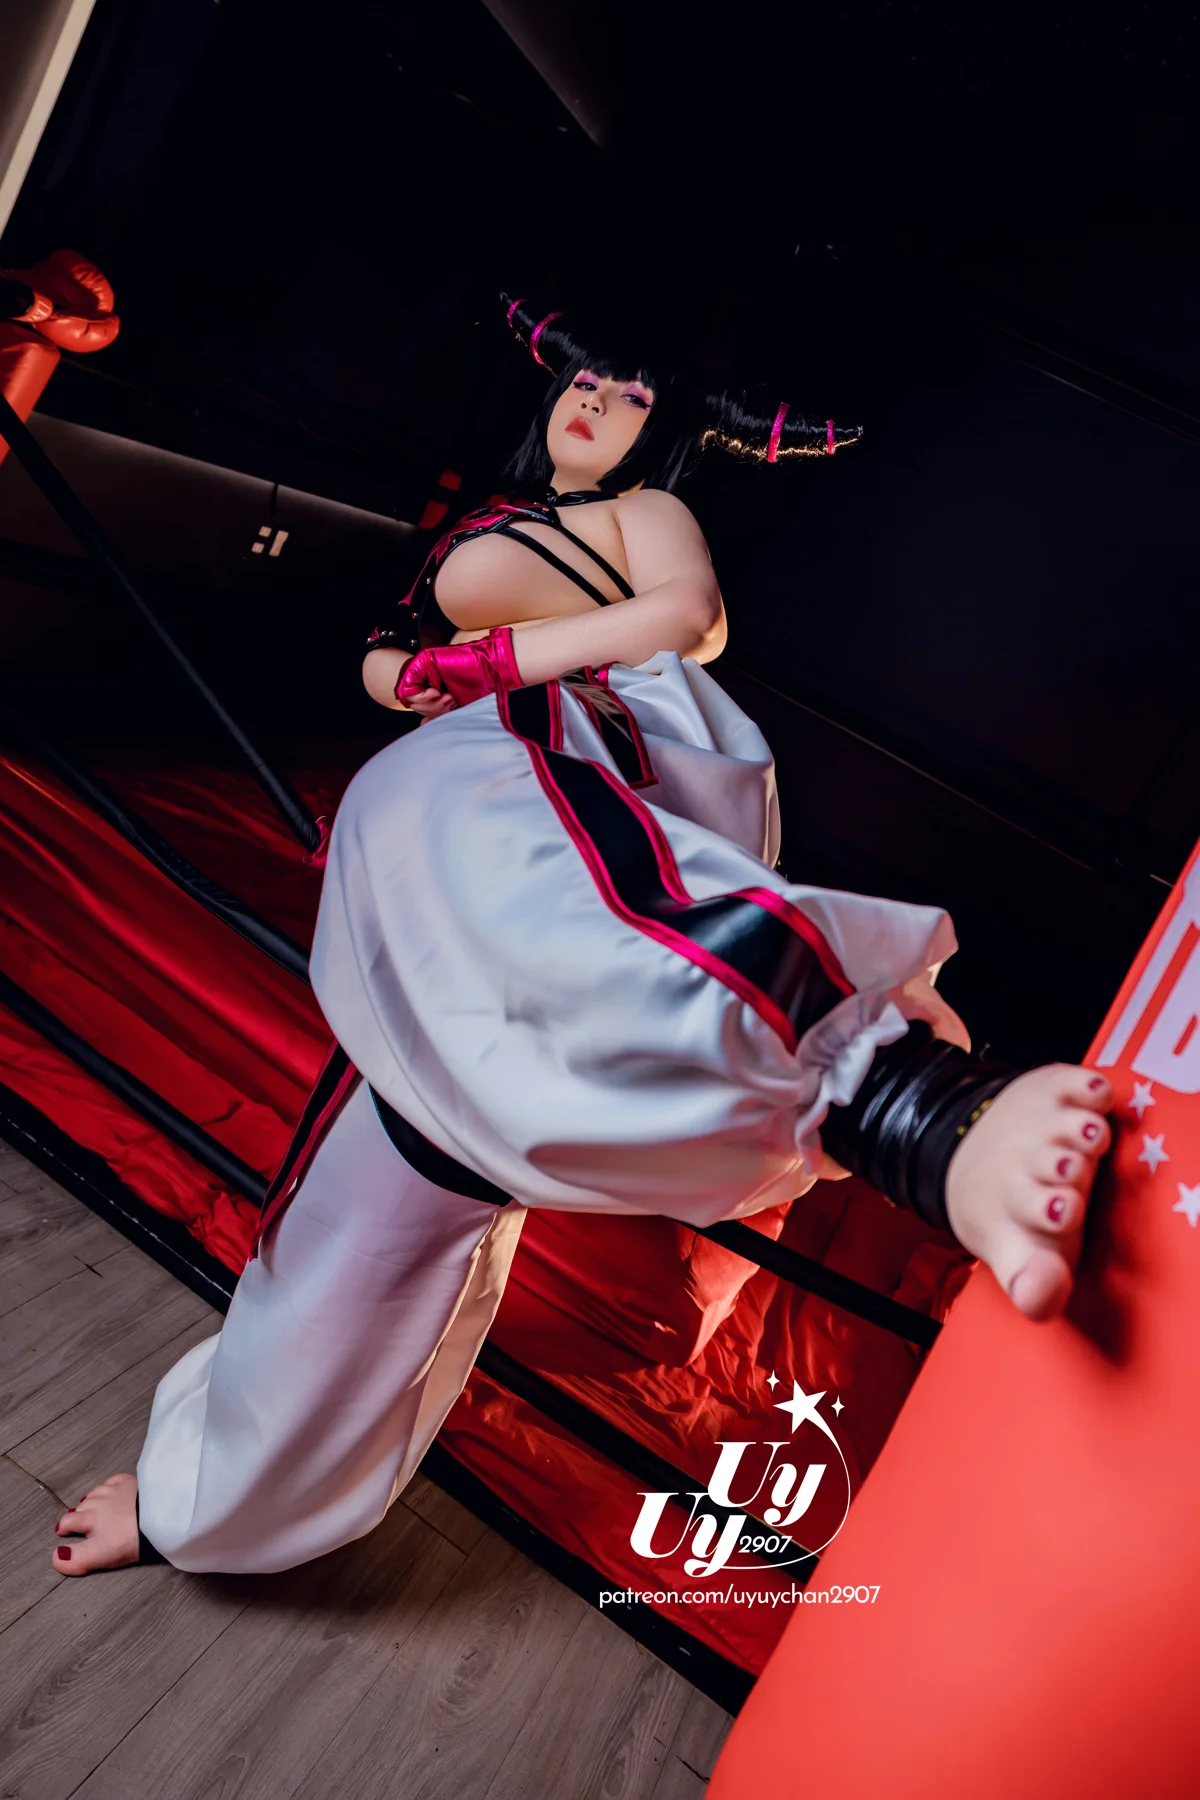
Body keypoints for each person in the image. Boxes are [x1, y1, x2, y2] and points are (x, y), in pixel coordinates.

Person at [52, 296, 1113, 1576]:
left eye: (632, 397)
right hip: (477, 797)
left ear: (665, 437)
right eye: (588, 381)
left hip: (577, 744)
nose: (596, 403)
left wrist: (490, 663)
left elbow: (683, 618)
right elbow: (388, 665)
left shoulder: (642, 512)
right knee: (360, 1221)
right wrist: (439, 674)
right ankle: (204, 1502)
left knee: (491, 859)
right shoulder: (495, 519)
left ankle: (924, 1113)